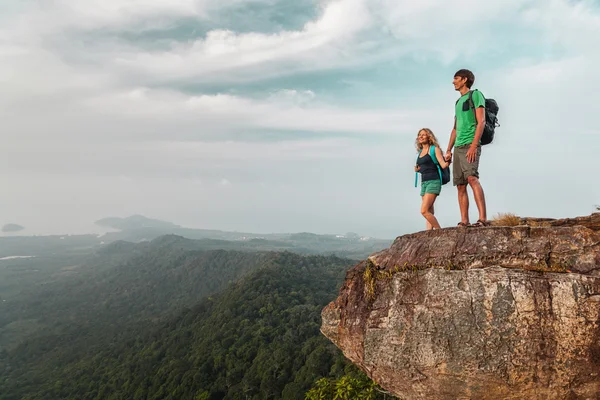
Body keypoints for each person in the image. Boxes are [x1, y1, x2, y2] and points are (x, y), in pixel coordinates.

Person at [444, 69, 488, 227]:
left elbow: (481, 121)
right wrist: (448, 149)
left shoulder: (475, 95)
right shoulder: (458, 102)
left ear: (464, 79)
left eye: (455, 78)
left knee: (472, 178)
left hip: (470, 143)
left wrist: (474, 146)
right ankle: (464, 221)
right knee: (460, 185)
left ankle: (482, 219)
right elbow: (455, 128)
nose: (453, 81)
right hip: (458, 147)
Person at [415, 128, 450, 230]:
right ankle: (429, 234)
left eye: (423, 135)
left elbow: (443, 165)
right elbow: (425, 166)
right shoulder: (420, 151)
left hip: (433, 181)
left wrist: (449, 160)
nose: (421, 137)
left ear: (429, 137)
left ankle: (440, 231)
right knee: (429, 212)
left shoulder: (434, 149)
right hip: (424, 183)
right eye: (419, 135)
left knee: (424, 211)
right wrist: (417, 170)